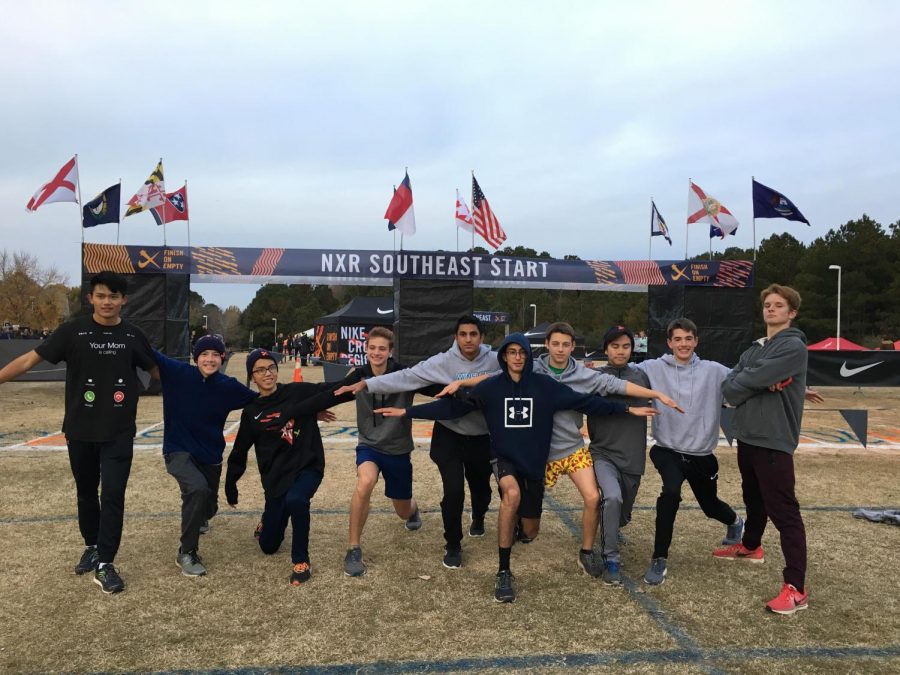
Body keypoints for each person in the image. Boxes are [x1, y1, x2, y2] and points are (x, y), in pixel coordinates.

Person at [376, 334, 657, 603]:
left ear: (529, 356)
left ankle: (524, 527)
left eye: (522, 352)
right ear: (504, 356)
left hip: (534, 463)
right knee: (511, 496)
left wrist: (628, 410)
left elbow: (587, 402)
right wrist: (407, 412)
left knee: (531, 530)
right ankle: (503, 572)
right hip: (504, 458)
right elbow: (452, 409)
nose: (517, 357)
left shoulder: (545, 386)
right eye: (512, 352)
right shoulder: (491, 386)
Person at [440, 322, 680, 578]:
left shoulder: (585, 375)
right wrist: (460, 384)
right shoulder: (535, 366)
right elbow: (496, 377)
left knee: (593, 497)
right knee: (526, 518)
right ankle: (521, 527)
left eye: (566, 344)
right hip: (537, 452)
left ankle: (587, 552)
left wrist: (656, 394)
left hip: (571, 448)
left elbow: (615, 386)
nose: (560, 349)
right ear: (546, 345)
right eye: (555, 343)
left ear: (573, 347)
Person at [0, 271, 157, 594]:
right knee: (86, 493)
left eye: (114, 296)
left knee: (113, 495)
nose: (107, 302)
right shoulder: (73, 331)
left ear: (123, 300)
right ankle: (91, 545)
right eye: (101, 296)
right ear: (91, 298)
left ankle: (106, 562)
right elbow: (30, 359)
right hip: (80, 430)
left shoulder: (133, 335)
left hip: (119, 431)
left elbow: (158, 371)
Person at [335, 315, 496, 570]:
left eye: (473, 334)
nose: (468, 339)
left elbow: (514, 375)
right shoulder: (440, 362)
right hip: (439, 437)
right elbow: (407, 377)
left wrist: (464, 386)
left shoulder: (495, 361)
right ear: (456, 337)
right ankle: (451, 544)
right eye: (462, 334)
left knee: (480, 491)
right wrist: (366, 383)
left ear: (482, 337)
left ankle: (472, 515)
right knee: (451, 491)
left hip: (474, 438)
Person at [715, 285, 820, 614]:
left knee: (784, 512)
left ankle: (796, 588)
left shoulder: (793, 348)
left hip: (774, 438)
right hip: (748, 436)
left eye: (779, 306)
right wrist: (758, 380)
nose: (771, 309)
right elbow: (728, 386)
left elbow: (741, 383)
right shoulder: (755, 349)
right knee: (753, 498)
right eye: (768, 305)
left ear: (792, 313)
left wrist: (751, 380)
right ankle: (750, 546)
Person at [635, 318, 745, 586]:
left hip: (701, 455)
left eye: (688, 339)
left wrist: (794, 387)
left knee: (710, 506)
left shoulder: (715, 371)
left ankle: (735, 522)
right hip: (667, 449)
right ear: (669, 343)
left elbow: (749, 381)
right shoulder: (652, 367)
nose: (683, 344)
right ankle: (659, 559)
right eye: (677, 339)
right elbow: (618, 375)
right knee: (670, 493)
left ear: (696, 341)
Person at [224, 349, 346, 585]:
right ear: (252, 377)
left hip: (307, 466)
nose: (267, 374)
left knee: (297, 499)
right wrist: (231, 485)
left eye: (271, 367)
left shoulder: (296, 392)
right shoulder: (251, 412)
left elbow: (331, 390)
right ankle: (266, 521)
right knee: (268, 546)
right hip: (276, 478)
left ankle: (301, 561)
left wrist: (362, 378)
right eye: (260, 370)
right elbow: (239, 451)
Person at [338, 327, 441, 577]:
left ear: (390, 352)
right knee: (365, 481)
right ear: (366, 349)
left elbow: (438, 388)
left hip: (398, 449)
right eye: (372, 348)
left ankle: (413, 508)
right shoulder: (358, 375)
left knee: (402, 511)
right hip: (369, 446)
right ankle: (353, 548)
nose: (376, 352)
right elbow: (331, 393)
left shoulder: (405, 375)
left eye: (382, 348)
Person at [154, 335, 257, 577]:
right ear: (195, 357)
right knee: (196, 489)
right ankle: (187, 552)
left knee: (207, 504)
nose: (209, 359)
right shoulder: (178, 373)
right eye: (204, 354)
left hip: (210, 454)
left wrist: (306, 410)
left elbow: (263, 400)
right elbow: (147, 351)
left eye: (215, 355)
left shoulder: (228, 386)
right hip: (177, 449)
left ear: (222, 358)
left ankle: (202, 516)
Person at [587, 325, 654, 585]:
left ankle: (614, 527)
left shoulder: (642, 376)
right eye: (615, 346)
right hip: (603, 453)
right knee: (611, 498)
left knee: (622, 514)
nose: (620, 351)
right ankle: (611, 560)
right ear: (606, 349)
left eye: (626, 346)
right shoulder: (593, 377)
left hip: (633, 456)